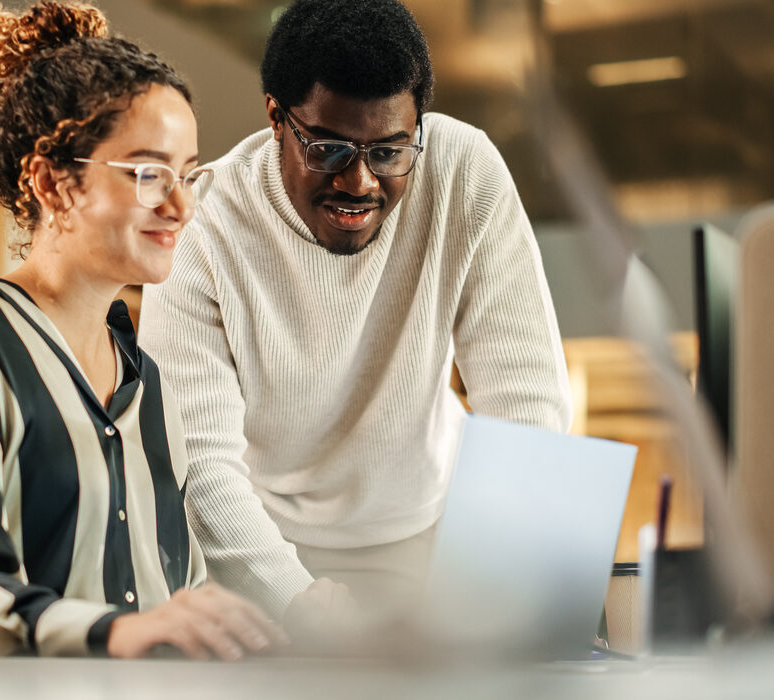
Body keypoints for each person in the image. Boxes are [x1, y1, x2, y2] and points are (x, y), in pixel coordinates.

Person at [0, 1, 286, 659]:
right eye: (149, 173)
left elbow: (178, 598)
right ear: (52, 184)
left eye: (188, 175)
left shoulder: (148, 386)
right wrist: (115, 634)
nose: (180, 206)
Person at [139, 0, 572, 623]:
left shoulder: (462, 171)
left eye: (390, 152)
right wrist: (298, 603)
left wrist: (496, 588)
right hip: (260, 549)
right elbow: (201, 463)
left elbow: (526, 400)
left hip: (427, 533)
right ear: (276, 119)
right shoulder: (204, 225)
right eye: (330, 150)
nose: (361, 183)